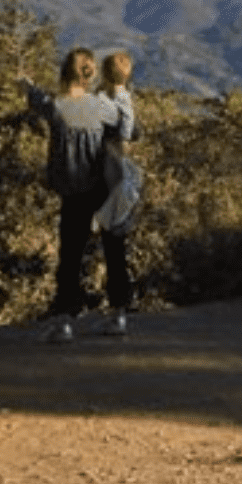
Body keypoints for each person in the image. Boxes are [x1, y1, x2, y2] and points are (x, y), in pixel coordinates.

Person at [24, 47, 133, 343]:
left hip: (75, 193)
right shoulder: (100, 106)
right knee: (114, 250)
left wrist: (26, 82)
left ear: (64, 73)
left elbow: (37, 100)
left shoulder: (56, 106)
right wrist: (119, 88)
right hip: (105, 187)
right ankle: (118, 315)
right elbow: (124, 126)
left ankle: (65, 321)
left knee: (71, 255)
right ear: (90, 74)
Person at [91, 51, 143, 329]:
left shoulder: (107, 102)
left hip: (106, 179)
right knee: (115, 245)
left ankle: (117, 308)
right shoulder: (124, 100)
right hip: (119, 181)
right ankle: (119, 308)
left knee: (111, 246)